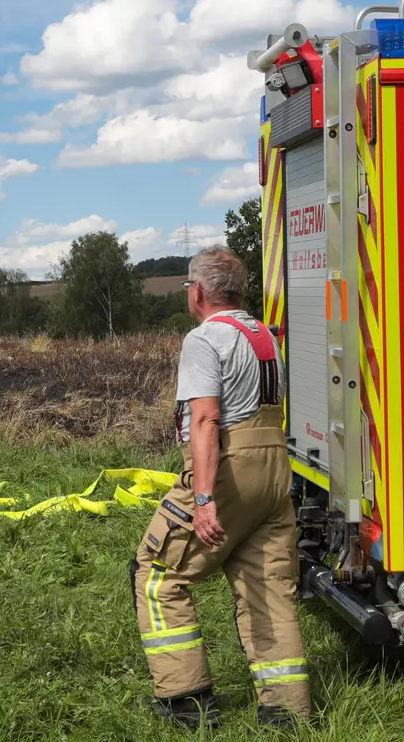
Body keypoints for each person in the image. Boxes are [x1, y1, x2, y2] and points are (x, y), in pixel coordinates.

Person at [131, 245, 309, 730]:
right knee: (268, 589)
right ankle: (287, 712)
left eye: (189, 287)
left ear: (199, 292)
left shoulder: (204, 339)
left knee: (157, 575)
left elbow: (206, 418)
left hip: (229, 470)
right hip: (276, 470)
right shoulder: (264, 336)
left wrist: (204, 500)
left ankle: (186, 702)